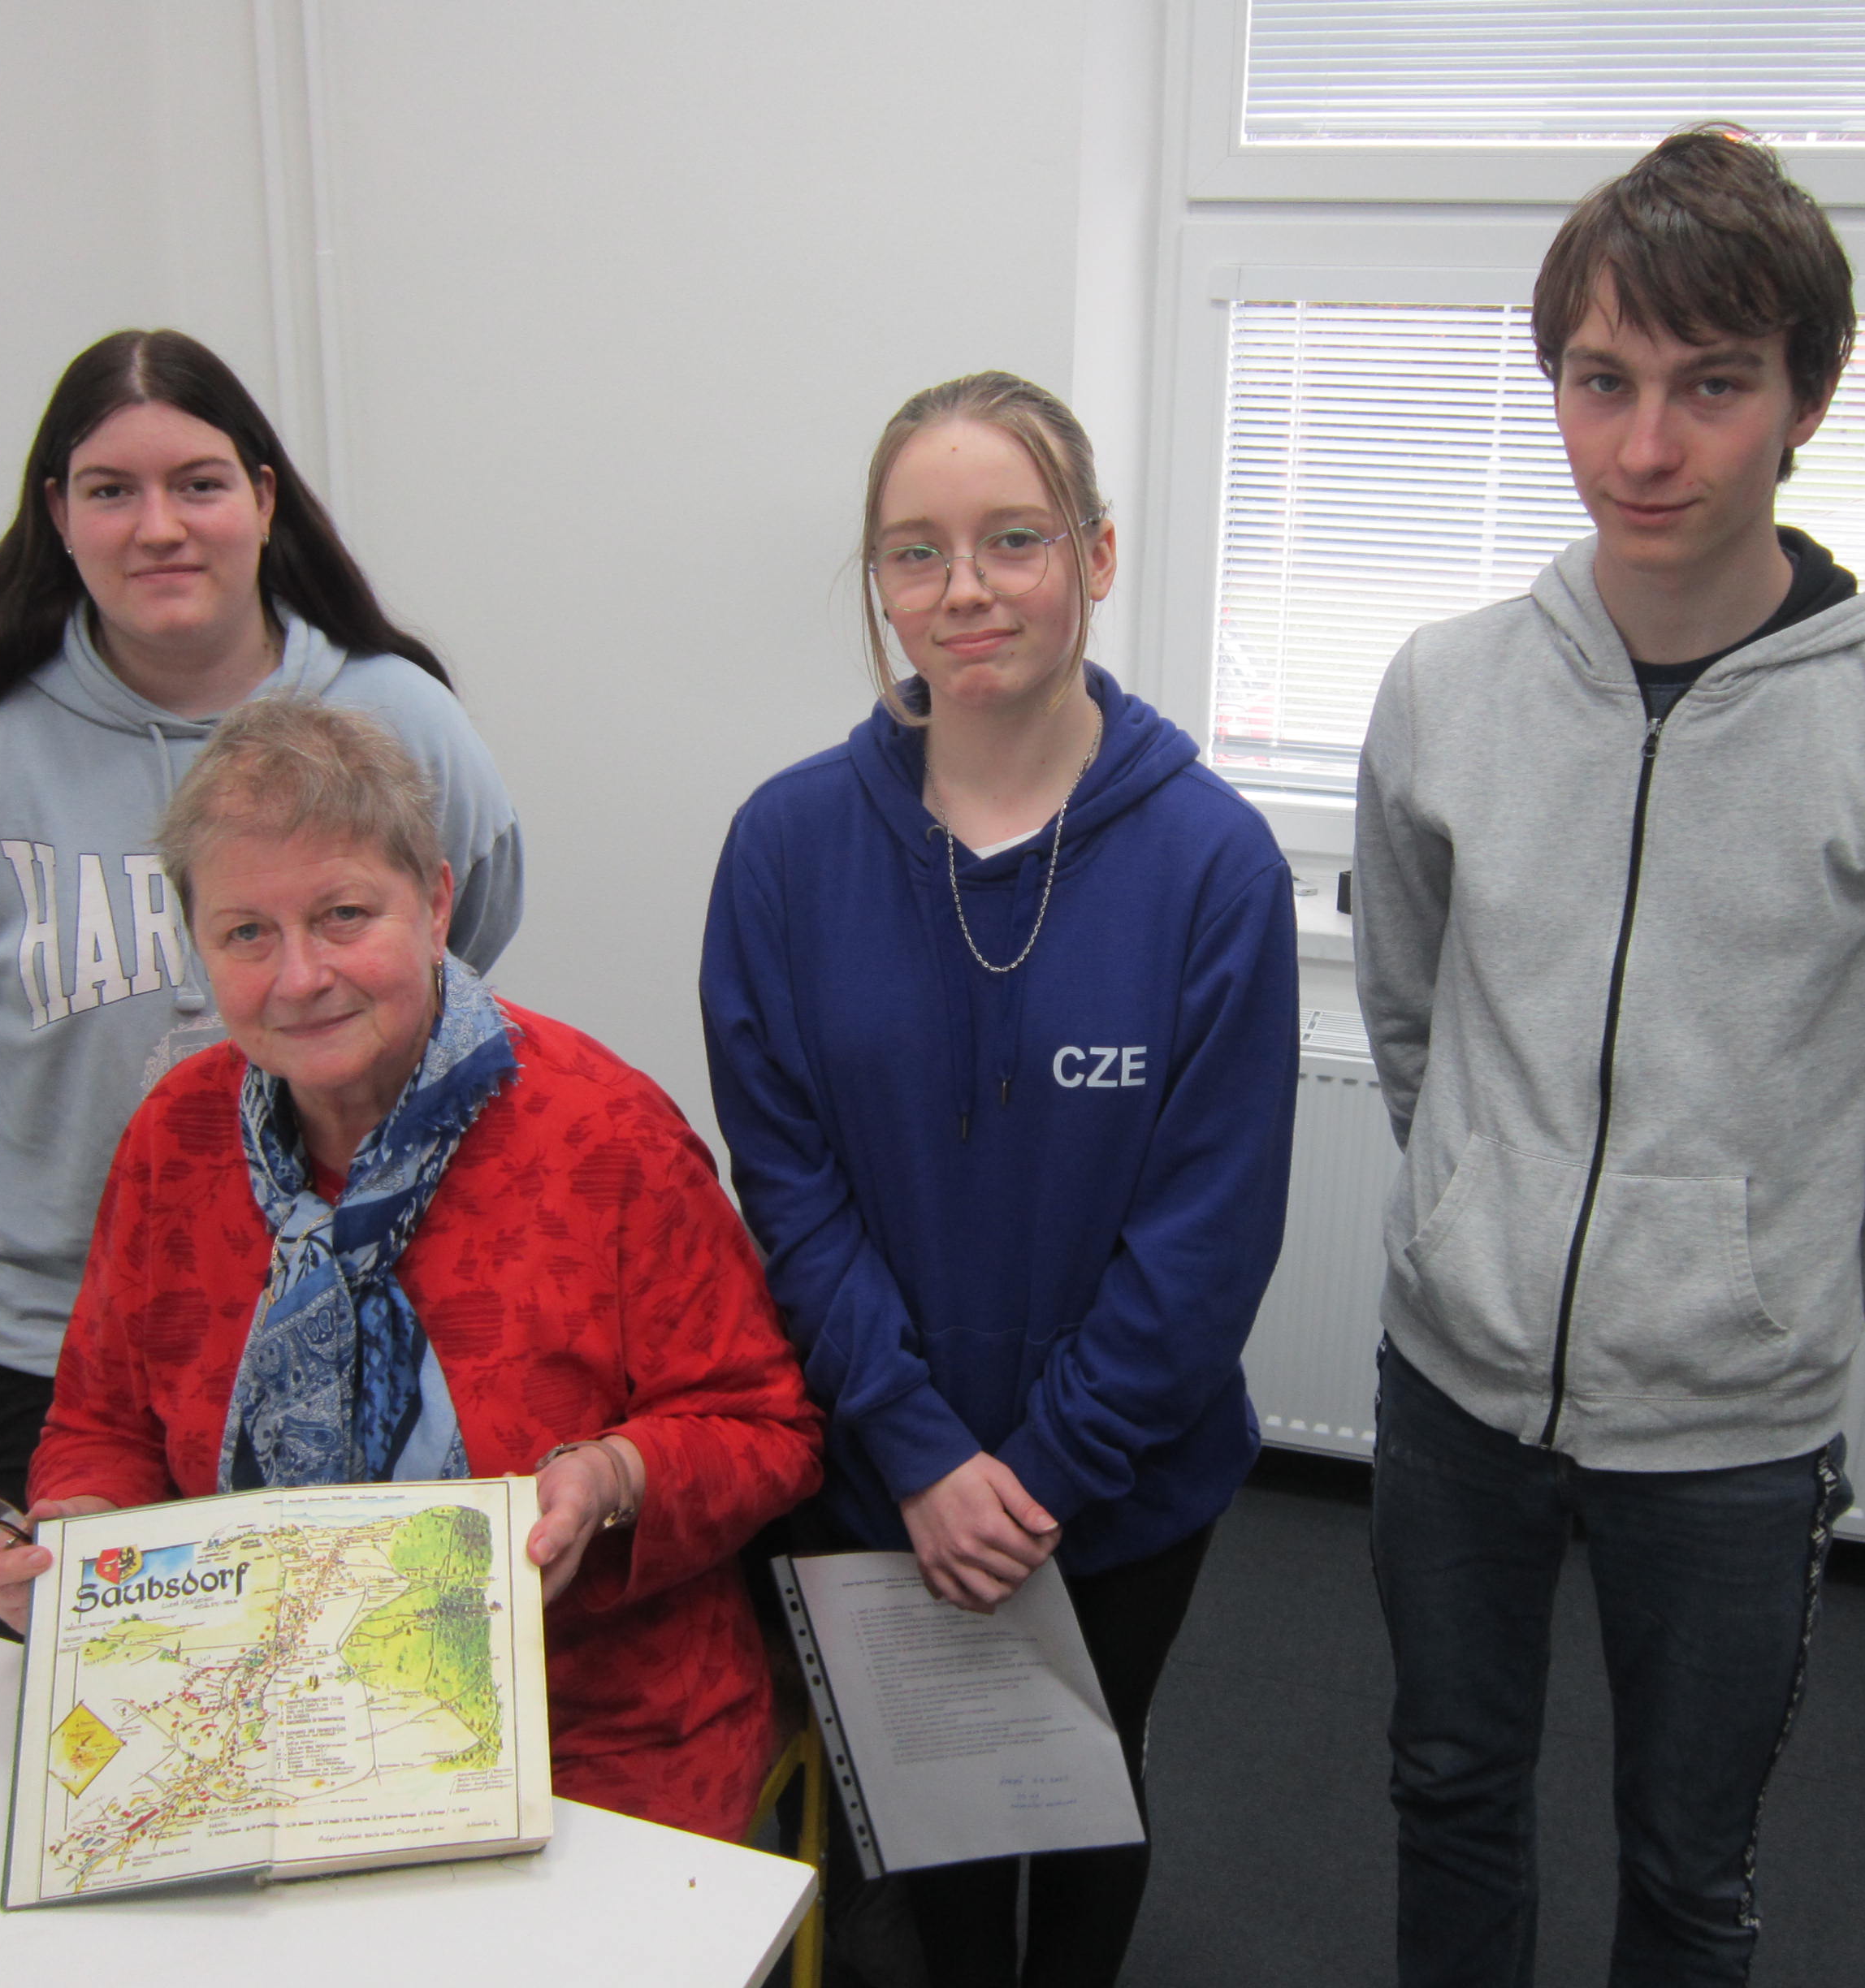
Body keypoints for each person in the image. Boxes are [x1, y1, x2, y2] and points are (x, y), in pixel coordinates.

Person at [1351, 127, 1865, 1985]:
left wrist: (1765, 1286)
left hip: (1735, 1434)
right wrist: (1479, 1215)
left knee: (1686, 1865)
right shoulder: (1446, 688)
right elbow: (1413, 1015)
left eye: (1712, 386)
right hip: (1455, 1384)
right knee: (1449, 1793)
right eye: (1603, 382)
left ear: (1809, 399)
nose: (1646, 447)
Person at [0, 698, 820, 1839]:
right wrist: (77, 1535)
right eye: (247, 933)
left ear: (437, 904)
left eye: (343, 915)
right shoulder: (176, 1136)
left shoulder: (605, 1136)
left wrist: (613, 1476)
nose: (300, 976)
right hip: (250, 1705)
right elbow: (103, 1421)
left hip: (587, 1721)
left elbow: (765, 1429)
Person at [701, 372, 1298, 1985]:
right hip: (880, 1472)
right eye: (917, 551)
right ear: (881, 584)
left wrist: (1039, 1473)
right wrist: (917, 1454)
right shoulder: (786, 850)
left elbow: (1208, 1234)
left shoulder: (1212, 865)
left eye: (1013, 539)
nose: (963, 587)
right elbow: (790, 1188)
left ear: (1095, 554)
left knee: (1089, 1796)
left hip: (1123, 1483)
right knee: (939, 1824)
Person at [0, 330, 523, 1512]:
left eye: (198, 484)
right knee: (89, 1632)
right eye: (110, 491)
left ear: (263, 499)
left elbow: (458, 943)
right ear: (56, 514)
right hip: (52, 1334)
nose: (159, 528)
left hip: (367, 1299)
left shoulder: (406, 719)